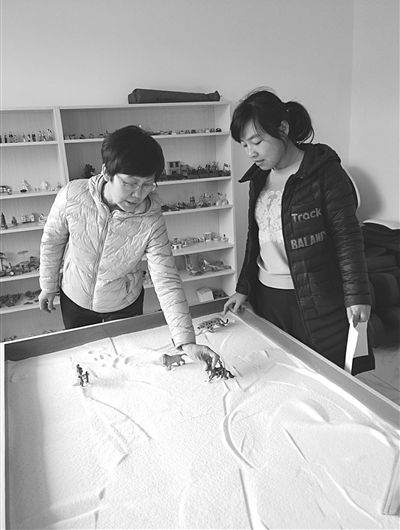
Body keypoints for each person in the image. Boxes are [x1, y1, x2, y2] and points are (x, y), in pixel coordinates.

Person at [39, 125, 219, 370]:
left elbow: (166, 278)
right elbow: (52, 240)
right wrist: (48, 285)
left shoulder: (151, 219)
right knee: (87, 365)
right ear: (106, 171)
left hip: (124, 304)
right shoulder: (72, 195)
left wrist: (186, 342)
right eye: (130, 183)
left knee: (128, 367)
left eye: (148, 184)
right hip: (75, 298)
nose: (138, 194)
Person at [223, 88, 374, 375]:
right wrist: (243, 288)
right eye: (244, 145)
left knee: (324, 375)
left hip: (314, 298)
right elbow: (257, 239)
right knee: (279, 374)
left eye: (257, 141)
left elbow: (348, 238)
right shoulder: (259, 178)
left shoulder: (324, 172)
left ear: (283, 128)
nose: (251, 152)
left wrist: (357, 294)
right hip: (268, 298)